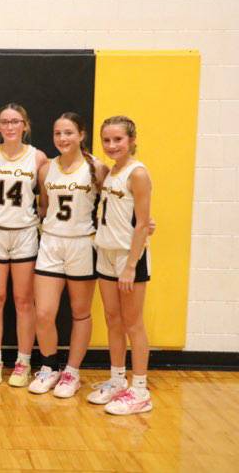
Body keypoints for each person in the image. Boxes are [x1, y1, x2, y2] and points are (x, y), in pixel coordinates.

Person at [29, 113, 108, 397]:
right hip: (51, 242)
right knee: (44, 312)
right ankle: (49, 367)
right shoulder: (46, 168)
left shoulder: (97, 168)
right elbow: (45, 206)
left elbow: (113, 205)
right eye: (57, 133)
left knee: (80, 312)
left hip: (82, 244)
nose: (63, 138)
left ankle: (72, 373)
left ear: (81, 134)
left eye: (69, 133)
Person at [0, 103, 47, 386]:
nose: (11, 126)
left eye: (16, 121)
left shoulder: (38, 158)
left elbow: (47, 202)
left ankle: (23, 362)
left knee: (24, 301)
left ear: (25, 125)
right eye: (5, 122)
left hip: (25, 232)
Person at [91, 115, 153, 415]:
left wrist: (131, 265)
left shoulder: (137, 174)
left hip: (130, 257)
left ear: (131, 140)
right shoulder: (111, 172)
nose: (112, 145)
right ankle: (117, 380)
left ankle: (140, 390)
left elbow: (142, 224)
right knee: (112, 319)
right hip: (106, 252)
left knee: (133, 323)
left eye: (118, 139)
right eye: (107, 140)